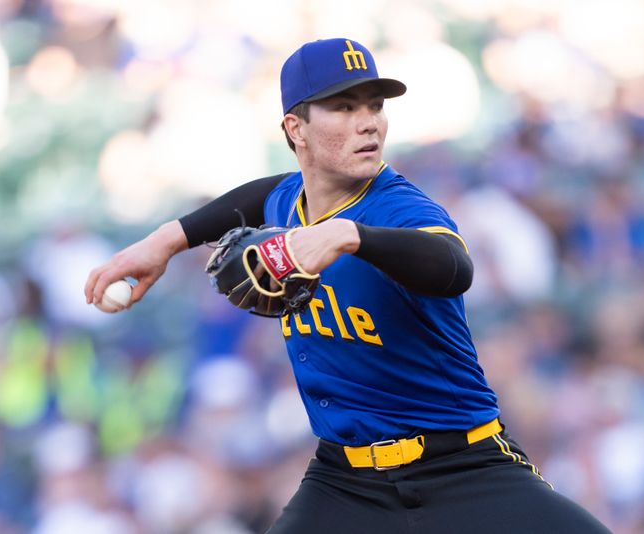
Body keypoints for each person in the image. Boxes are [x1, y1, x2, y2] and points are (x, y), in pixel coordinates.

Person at [85, 38, 611, 533]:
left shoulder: (398, 207)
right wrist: (166, 240)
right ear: (296, 129)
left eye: (374, 105)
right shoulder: (286, 204)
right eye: (343, 107)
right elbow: (258, 195)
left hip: (464, 466)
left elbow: (452, 267)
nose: (368, 123)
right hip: (346, 481)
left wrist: (351, 237)